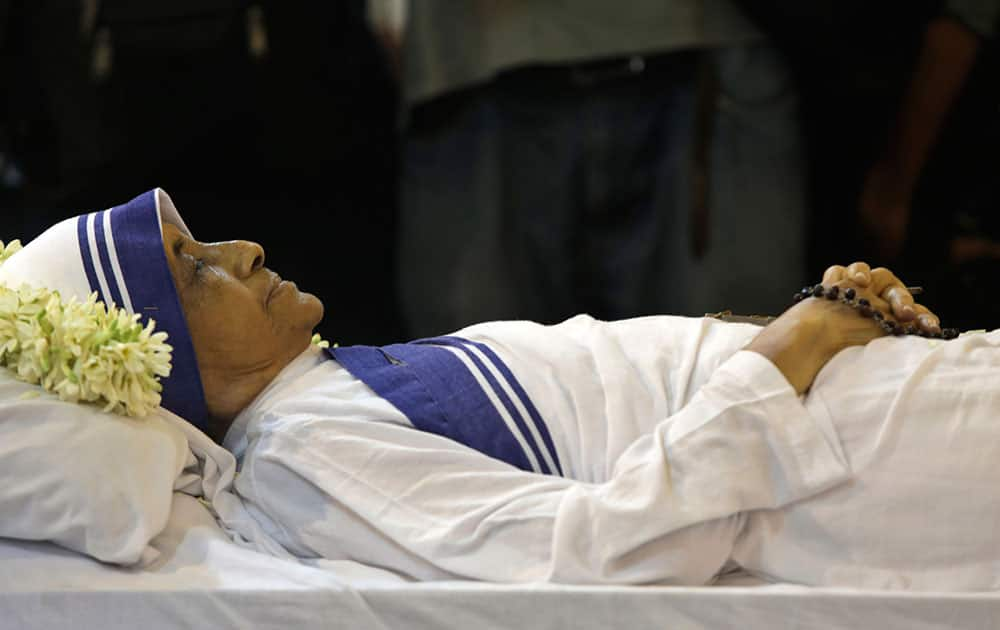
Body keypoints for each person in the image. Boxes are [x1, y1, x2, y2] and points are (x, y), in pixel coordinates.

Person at [6, 189, 1000, 591]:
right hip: (850, 462)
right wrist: (797, 342)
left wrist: (829, 320)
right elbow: (598, 557)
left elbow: (613, 379)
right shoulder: (306, 454)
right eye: (194, 269)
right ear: (167, 356)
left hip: (866, 404)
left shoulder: (328, 392)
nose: (243, 249)